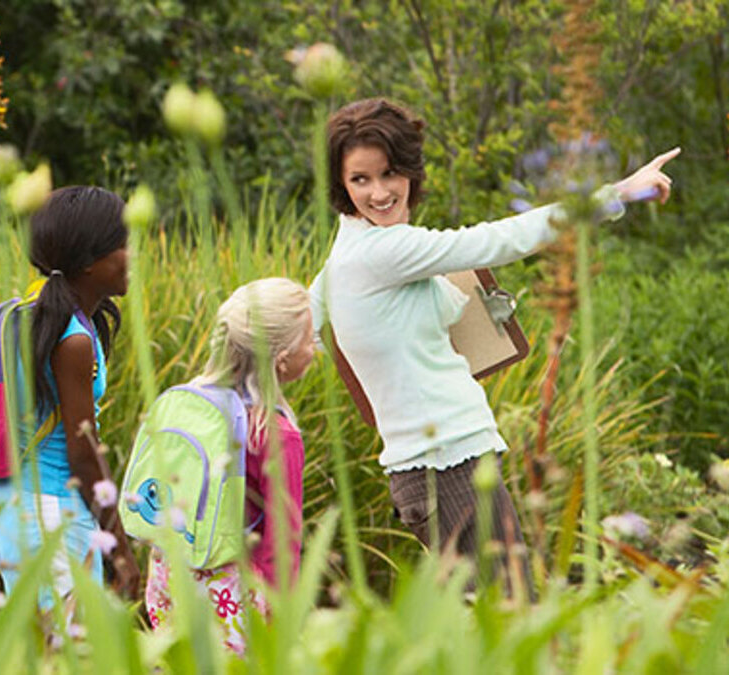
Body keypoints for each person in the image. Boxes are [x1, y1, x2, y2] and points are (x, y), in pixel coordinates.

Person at [309, 97, 679, 588]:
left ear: (411, 171)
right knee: (512, 619)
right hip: (447, 467)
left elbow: (301, 314)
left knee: (496, 627)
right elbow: (499, 239)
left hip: (447, 464)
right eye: (360, 179)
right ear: (342, 185)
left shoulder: (351, 250)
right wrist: (619, 193)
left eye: (390, 173)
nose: (379, 192)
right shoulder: (380, 251)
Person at [0, 185, 141, 616]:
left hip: (8, 507)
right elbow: (83, 454)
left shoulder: (25, 313)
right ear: (89, 262)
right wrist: (121, 551)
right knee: (72, 654)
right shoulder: (71, 339)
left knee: (45, 652)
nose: (134, 254)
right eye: (124, 244)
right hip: (49, 514)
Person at [144, 277, 315, 654]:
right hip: (233, 598)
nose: (314, 347)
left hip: (171, 579)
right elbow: (280, 544)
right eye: (309, 338)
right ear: (282, 359)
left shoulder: (189, 405)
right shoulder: (275, 434)